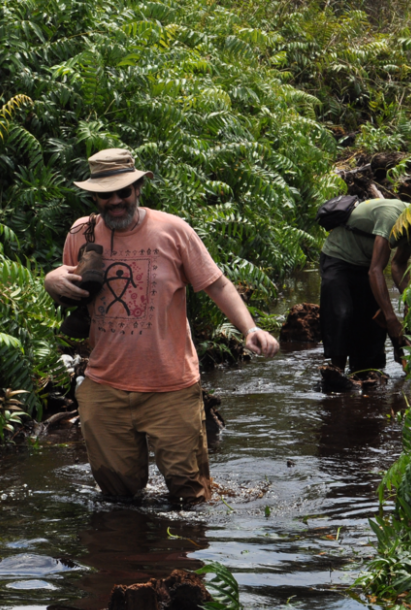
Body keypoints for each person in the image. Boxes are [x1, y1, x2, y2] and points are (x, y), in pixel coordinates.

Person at [44, 148, 279, 503]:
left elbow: (217, 283)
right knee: (118, 496)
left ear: (138, 188)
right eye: (106, 195)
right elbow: (70, 285)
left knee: (191, 495)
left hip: (170, 384)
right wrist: (51, 279)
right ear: (94, 196)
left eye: (124, 191)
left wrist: (250, 329)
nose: (116, 201)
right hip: (104, 383)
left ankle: (181, 557)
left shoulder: (173, 231)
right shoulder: (81, 232)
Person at [318, 198, 411, 372]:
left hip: (365, 264)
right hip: (338, 258)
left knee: (373, 325)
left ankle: (366, 373)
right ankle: (335, 371)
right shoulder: (393, 216)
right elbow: (376, 270)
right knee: (342, 313)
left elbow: (398, 265)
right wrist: (391, 317)